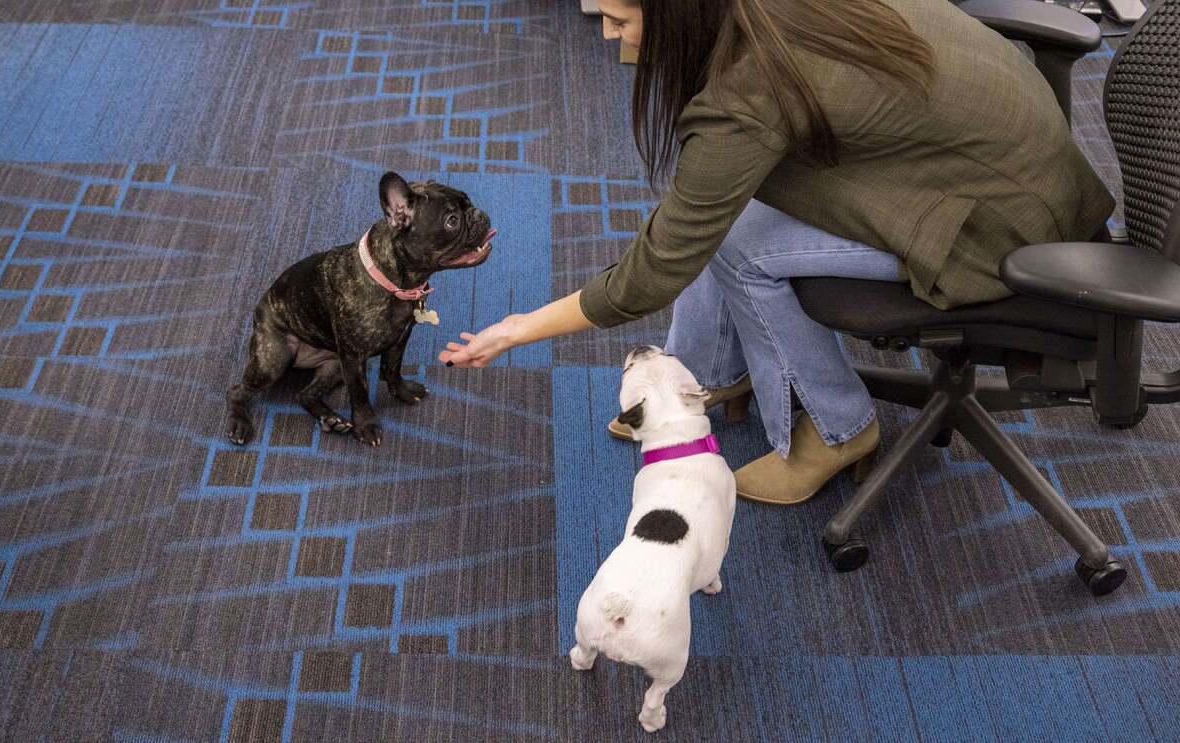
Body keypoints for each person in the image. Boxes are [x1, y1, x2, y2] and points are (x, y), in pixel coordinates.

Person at [437, 0, 1114, 505]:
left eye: (618, 19)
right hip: (994, 151)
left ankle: (838, 427)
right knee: (730, 205)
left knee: (738, 242)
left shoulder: (749, 91)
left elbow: (655, 270)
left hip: (995, 220)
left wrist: (520, 327)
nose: (608, 34)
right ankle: (703, 372)